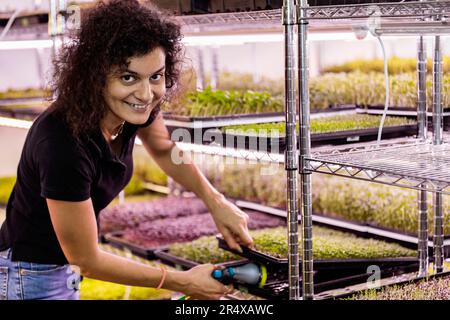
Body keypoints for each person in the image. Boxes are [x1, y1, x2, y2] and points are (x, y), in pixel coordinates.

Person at [0, 0, 253, 300]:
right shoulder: (62, 142)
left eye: (156, 76)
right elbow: (88, 260)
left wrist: (215, 200)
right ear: (95, 76)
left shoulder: (134, 109)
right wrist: (181, 281)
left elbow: (163, 148)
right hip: (29, 275)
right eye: (128, 77)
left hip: (64, 268)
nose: (146, 94)